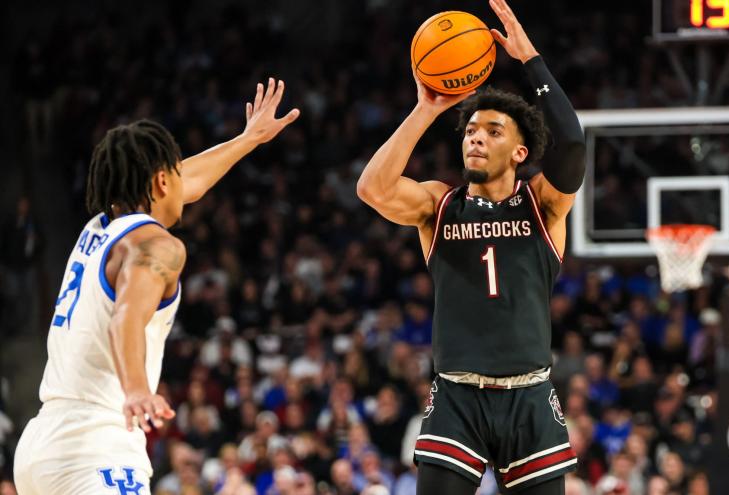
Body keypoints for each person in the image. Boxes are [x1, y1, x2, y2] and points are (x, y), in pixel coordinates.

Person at [13, 78, 300, 495]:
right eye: (174, 174)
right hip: (97, 445)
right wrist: (135, 390)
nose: (186, 183)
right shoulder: (157, 246)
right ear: (163, 182)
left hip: (43, 445)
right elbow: (126, 318)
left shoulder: (99, 230)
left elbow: (192, 179)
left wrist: (247, 139)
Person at [356, 0, 585, 493]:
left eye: (493, 131)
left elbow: (571, 147)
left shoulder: (541, 206)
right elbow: (372, 189)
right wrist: (425, 109)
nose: (475, 138)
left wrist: (532, 61)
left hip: (529, 396)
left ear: (520, 153)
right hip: (457, 397)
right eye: (471, 130)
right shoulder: (438, 204)